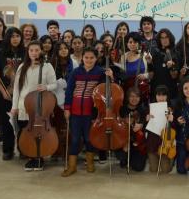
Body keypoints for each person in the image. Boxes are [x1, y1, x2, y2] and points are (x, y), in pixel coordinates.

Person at [62, 47, 111, 176]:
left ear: (96, 59)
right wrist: (67, 108)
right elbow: (68, 91)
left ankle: (90, 163)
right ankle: (72, 166)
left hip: (91, 112)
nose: (89, 60)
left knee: (89, 139)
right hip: (75, 111)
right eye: (86, 57)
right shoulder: (75, 72)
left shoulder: (101, 72)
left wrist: (111, 77)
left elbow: (106, 90)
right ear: (82, 58)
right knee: (75, 139)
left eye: (92, 58)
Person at [11, 41, 57, 171]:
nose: (34, 53)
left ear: (41, 51)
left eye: (37, 50)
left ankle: (39, 157)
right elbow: (16, 88)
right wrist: (14, 106)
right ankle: (31, 155)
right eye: (31, 50)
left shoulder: (47, 66)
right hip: (22, 105)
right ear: (28, 51)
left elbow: (54, 84)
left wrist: (46, 87)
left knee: (39, 132)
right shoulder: (22, 67)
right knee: (26, 132)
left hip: (39, 106)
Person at [0, 27, 25, 160]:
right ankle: (8, 150)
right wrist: (3, 91)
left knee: (23, 122)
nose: (15, 39)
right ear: (8, 38)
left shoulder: (26, 52)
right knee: (7, 123)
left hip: (22, 94)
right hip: (6, 93)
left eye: (17, 36)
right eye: (12, 36)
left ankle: (23, 148)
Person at [115, 87, 148, 172]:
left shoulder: (143, 109)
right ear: (127, 97)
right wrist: (124, 123)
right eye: (132, 96)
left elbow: (146, 126)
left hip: (138, 143)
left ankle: (131, 157)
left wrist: (142, 125)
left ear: (140, 98)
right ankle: (124, 157)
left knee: (138, 167)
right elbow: (116, 126)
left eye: (137, 96)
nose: (134, 99)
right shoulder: (122, 109)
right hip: (124, 141)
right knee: (122, 157)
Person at [147, 85, 175, 174]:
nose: (161, 97)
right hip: (153, 142)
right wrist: (146, 120)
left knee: (166, 170)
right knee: (154, 170)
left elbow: (175, 128)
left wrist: (172, 120)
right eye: (159, 95)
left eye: (164, 95)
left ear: (167, 96)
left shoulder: (171, 109)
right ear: (155, 96)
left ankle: (172, 161)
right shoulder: (150, 108)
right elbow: (145, 128)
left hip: (165, 144)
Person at [151, 28, 179, 100]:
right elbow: (152, 73)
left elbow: (174, 76)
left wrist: (172, 67)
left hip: (171, 90)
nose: (164, 40)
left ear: (170, 38)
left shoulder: (176, 53)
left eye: (166, 37)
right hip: (156, 89)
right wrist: (149, 63)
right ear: (159, 40)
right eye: (162, 38)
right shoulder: (155, 53)